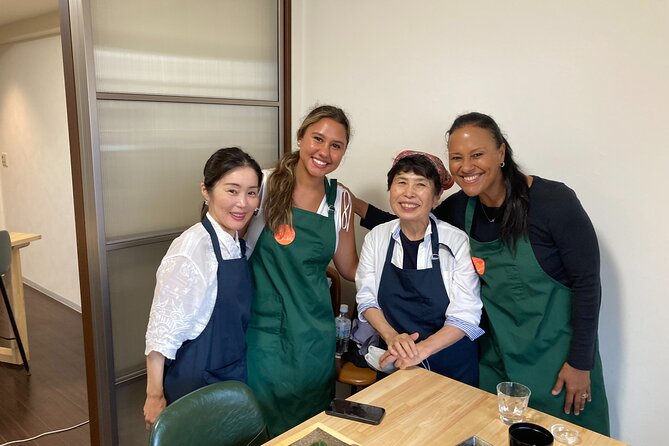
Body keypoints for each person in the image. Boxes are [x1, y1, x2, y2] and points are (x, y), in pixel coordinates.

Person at [351, 113, 609, 435]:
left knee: (567, 435)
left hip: (557, 356)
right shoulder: (461, 208)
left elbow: (587, 284)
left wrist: (581, 362)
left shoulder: (553, 202)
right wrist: (355, 205)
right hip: (497, 356)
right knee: (493, 434)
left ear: (501, 153)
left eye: (477, 154)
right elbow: (411, 219)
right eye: (456, 157)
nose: (466, 166)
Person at [244, 105, 359, 436]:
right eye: (318, 139)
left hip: (313, 334)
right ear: (300, 137)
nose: (324, 152)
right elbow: (230, 247)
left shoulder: (341, 200)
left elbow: (349, 268)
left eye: (336, 145)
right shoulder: (263, 184)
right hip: (263, 329)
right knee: (260, 423)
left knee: (309, 426)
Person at [143, 147, 262, 430]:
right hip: (197, 380)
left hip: (229, 373)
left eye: (251, 192)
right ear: (206, 191)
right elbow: (162, 331)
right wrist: (154, 395)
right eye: (231, 191)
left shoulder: (234, 242)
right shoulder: (192, 248)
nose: (242, 203)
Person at [355, 151, 484, 386]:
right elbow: (367, 299)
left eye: (420, 184)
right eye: (401, 182)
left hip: (451, 365)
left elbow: (466, 315)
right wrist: (392, 337)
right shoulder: (377, 237)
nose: (408, 193)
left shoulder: (456, 242)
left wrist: (419, 351)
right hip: (396, 360)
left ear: (436, 198)